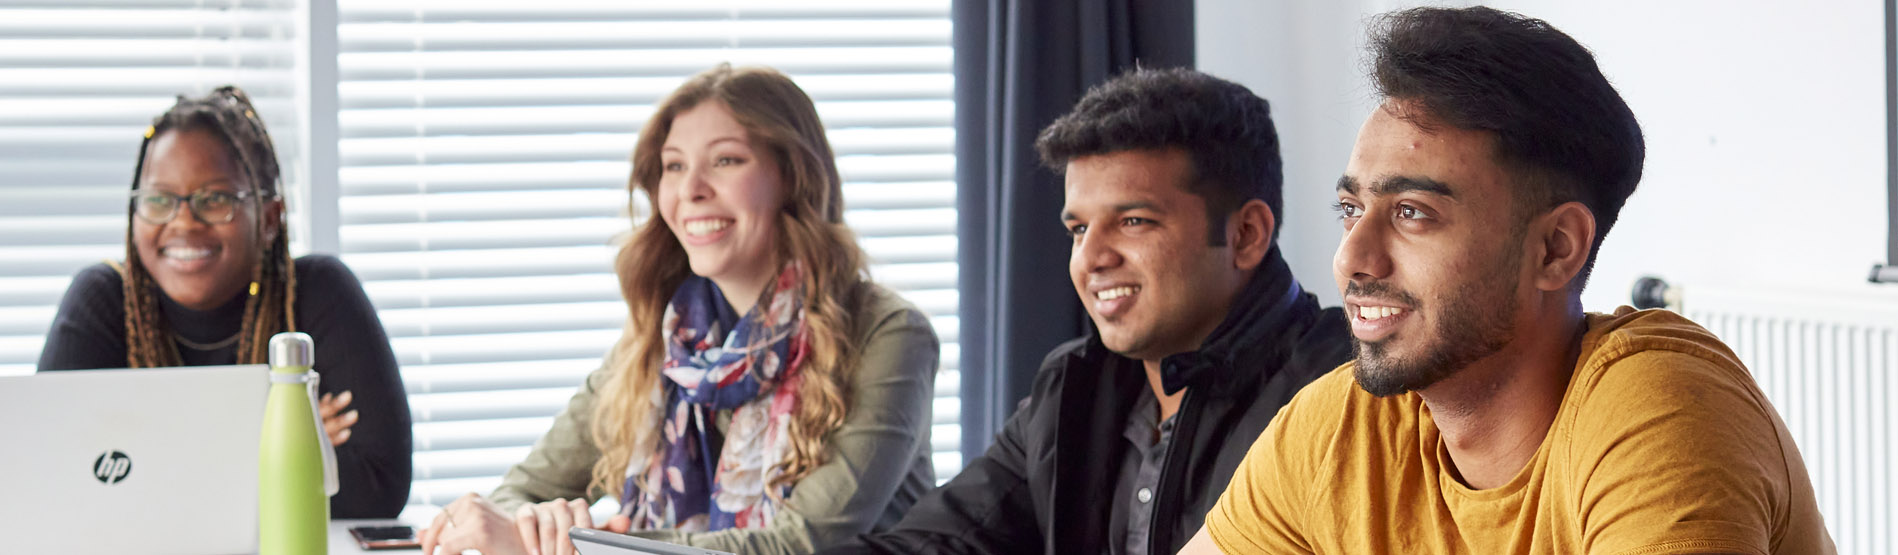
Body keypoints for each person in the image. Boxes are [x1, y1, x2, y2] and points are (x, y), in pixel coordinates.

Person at [1182, 7, 1834, 554]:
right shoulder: (1338, 431)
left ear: (1555, 248)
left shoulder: (1661, 409)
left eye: (1413, 213)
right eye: (1351, 210)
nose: (1352, 258)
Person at [822, 68, 1352, 555]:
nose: (1091, 258)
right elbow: (936, 543)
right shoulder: (1072, 386)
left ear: (1246, 234)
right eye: (1079, 228)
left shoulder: (1345, 394)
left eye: (1134, 221)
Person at [417, 64, 941, 555]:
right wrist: (528, 526)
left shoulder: (888, 335)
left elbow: (801, 543)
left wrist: (588, 546)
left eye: (726, 160)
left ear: (794, 176)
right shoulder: (662, 342)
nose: (690, 190)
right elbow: (522, 492)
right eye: (673, 166)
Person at [38, 86, 413, 518]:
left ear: (270, 219)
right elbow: (57, 484)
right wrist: (287, 449)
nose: (183, 221)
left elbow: (377, 487)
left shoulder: (320, 292)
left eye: (215, 199)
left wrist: (152, 458)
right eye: (159, 200)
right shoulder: (102, 301)